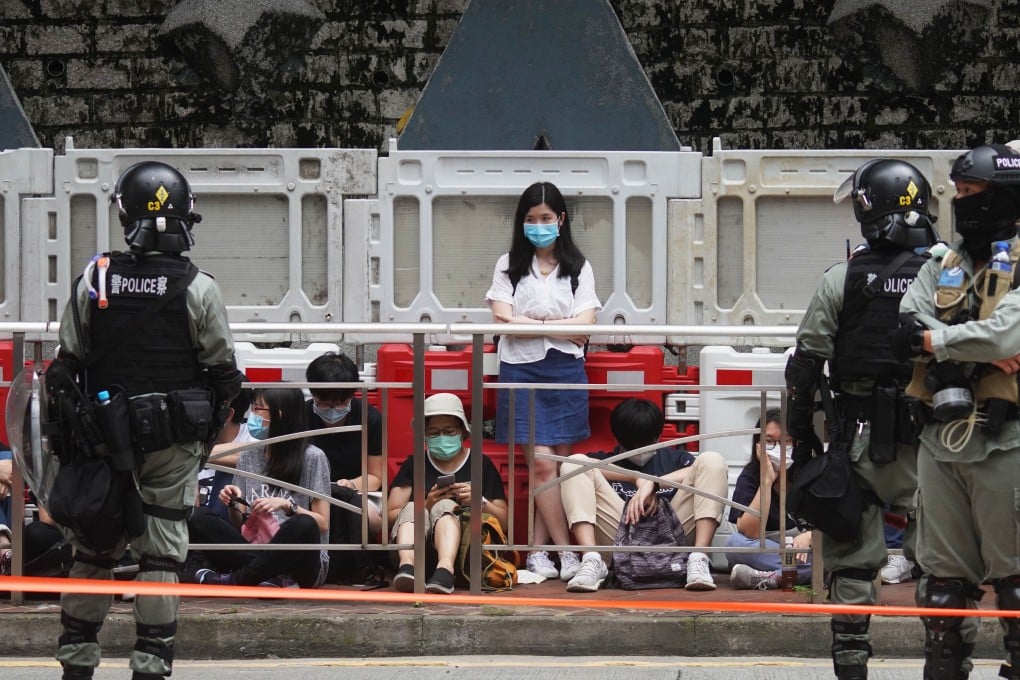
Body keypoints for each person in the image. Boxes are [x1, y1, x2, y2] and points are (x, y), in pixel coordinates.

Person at [44, 160, 242, 680]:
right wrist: (199, 442)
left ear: (124, 212)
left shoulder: (97, 276)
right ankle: (150, 668)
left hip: (99, 442)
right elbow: (223, 375)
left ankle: (77, 665)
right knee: (161, 559)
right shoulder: (200, 287)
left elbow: (67, 362)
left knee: (91, 550)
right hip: (172, 445)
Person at [785, 158, 938, 680]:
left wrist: (803, 440)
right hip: (935, 443)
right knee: (942, 570)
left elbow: (803, 369)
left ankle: (852, 668)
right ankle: (946, 665)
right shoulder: (950, 277)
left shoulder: (840, 278)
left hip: (856, 442)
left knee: (852, 565)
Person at [895, 143, 1020, 680]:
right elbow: (905, 323)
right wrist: (962, 344)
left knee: (1016, 582)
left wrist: (937, 341)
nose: (962, 203)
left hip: (1006, 442)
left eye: (973, 193)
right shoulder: (940, 262)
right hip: (939, 442)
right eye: (959, 193)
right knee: (941, 586)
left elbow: (1006, 333)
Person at [484, 181, 601, 582]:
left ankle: (537, 552)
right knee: (542, 465)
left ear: (561, 220)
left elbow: (587, 324)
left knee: (556, 469)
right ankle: (568, 553)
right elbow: (502, 322)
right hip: (520, 368)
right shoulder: (508, 265)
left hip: (566, 370)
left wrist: (531, 323)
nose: (538, 226)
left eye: (546, 218)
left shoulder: (579, 267)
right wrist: (557, 327)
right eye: (531, 219)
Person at [558, 398, 728, 592]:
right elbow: (579, 463)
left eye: (644, 442)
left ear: (658, 437)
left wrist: (654, 484)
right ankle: (592, 560)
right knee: (573, 464)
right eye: (632, 444)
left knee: (713, 460)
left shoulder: (676, 458)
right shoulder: (604, 461)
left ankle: (699, 557)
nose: (639, 449)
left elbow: (701, 469)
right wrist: (635, 478)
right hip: (619, 540)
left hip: (674, 536)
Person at [186, 387, 331, 588]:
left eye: (257, 409)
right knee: (198, 516)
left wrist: (288, 506)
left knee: (303, 524)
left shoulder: (312, 457)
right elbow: (239, 524)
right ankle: (270, 577)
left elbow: (322, 523)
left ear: (279, 415)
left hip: (299, 561)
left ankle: (237, 580)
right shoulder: (247, 455)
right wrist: (232, 503)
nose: (251, 416)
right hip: (255, 547)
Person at [386, 393, 508, 594]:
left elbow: (505, 521)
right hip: (418, 551)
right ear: (424, 435)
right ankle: (408, 567)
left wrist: (480, 502)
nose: (441, 437)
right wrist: (426, 504)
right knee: (411, 507)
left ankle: (445, 570)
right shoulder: (414, 463)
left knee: (445, 506)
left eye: (448, 431)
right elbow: (389, 516)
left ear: (462, 431)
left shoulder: (481, 463)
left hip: (466, 553)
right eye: (433, 432)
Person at [303, 352, 384, 584]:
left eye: (339, 403)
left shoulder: (370, 418)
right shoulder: (302, 416)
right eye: (324, 403)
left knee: (365, 515)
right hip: (311, 492)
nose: (332, 410)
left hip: (356, 491)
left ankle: (356, 565)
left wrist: (350, 485)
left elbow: (376, 476)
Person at [725, 408, 812, 590]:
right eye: (770, 442)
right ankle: (791, 574)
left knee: (835, 556)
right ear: (758, 445)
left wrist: (810, 536)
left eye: (786, 442)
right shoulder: (750, 476)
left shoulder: (811, 473)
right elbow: (750, 531)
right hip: (771, 547)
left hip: (806, 550)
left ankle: (770, 577)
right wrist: (767, 481)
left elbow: (833, 523)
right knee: (735, 544)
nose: (778, 449)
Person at [195, 378, 253, 517]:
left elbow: (255, 454)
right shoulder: (194, 439)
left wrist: (194, 455)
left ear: (226, 415)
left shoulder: (252, 442)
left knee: (232, 470)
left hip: (226, 526)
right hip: (191, 524)